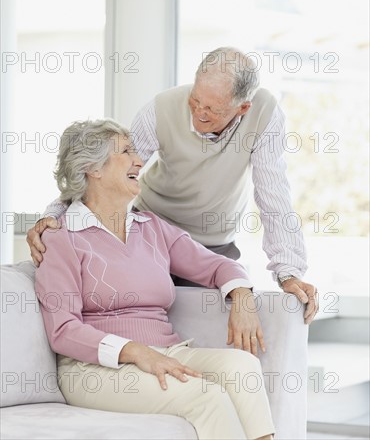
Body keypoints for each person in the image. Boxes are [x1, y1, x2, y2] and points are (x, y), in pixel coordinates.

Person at [28, 47, 318, 343]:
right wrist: (53, 216)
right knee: (141, 318)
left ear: (242, 108)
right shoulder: (161, 108)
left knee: (216, 333)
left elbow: (274, 195)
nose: (198, 113)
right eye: (195, 100)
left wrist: (288, 272)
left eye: (212, 110)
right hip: (153, 235)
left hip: (213, 244)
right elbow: (105, 171)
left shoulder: (264, 114)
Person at [35, 118, 275, 440]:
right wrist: (136, 352)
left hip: (167, 350)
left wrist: (243, 297)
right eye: (126, 151)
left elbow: (218, 266)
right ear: (94, 168)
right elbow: (63, 330)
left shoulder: (152, 227)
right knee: (205, 395)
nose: (139, 160)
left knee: (243, 368)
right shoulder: (62, 239)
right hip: (92, 369)